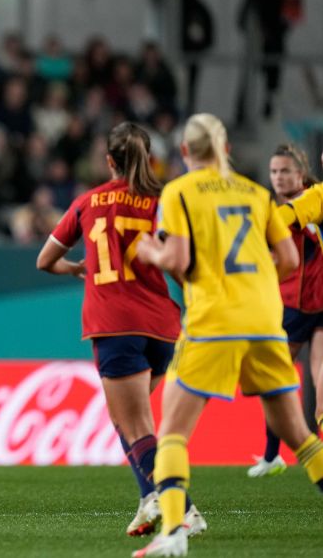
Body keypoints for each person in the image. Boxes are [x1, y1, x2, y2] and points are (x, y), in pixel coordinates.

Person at [134, 114, 323, 557]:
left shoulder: (179, 191)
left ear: (184, 153)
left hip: (213, 321)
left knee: (173, 433)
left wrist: (151, 251)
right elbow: (291, 259)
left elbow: (178, 260)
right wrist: (252, 285)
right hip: (263, 318)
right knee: (298, 432)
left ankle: (175, 533)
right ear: (227, 152)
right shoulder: (256, 193)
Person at [37, 123, 203, 538]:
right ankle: (149, 498)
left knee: (135, 425)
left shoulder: (87, 202)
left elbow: (44, 260)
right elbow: (182, 265)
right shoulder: (163, 201)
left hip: (114, 324)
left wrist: (75, 267)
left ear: (109, 160)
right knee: (126, 419)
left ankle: (180, 507)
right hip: (163, 326)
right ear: (148, 159)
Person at [250, 145, 323, 477]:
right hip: (289, 308)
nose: (278, 177)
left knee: (320, 381)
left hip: (314, 305)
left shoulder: (310, 201)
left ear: (301, 173)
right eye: (274, 171)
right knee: (274, 380)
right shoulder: (271, 207)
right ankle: (271, 455)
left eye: (285, 171)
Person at [180, 0, 213, 115]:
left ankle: (188, 112)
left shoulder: (199, 7)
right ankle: (183, 113)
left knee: (190, 87)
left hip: (192, 53)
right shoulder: (179, 5)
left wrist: (202, 47)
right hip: (180, 53)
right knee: (182, 86)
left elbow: (208, 30)